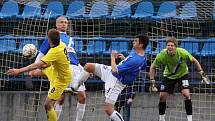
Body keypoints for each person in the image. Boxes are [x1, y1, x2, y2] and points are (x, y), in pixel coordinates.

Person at [71, 34, 149, 121]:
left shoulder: (135, 60)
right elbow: (141, 67)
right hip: (110, 72)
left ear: (141, 45)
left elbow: (115, 71)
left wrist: (112, 57)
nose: (133, 42)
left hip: (116, 81)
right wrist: (125, 60)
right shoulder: (142, 57)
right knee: (88, 66)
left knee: (109, 109)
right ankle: (75, 87)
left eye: (135, 41)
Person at [7, 29, 71, 121]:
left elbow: (37, 64)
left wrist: (18, 71)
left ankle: (64, 89)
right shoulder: (61, 43)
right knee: (34, 72)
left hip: (61, 80)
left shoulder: (55, 51)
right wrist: (43, 64)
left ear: (49, 40)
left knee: (48, 105)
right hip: (54, 70)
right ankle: (64, 90)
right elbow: (49, 62)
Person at [31, 16, 86, 121]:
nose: (64, 24)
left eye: (66, 22)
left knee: (82, 97)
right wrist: (34, 67)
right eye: (61, 22)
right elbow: (41, 54)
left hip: (75, 68)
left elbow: (73, 56)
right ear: (56, 24)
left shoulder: (70, 39)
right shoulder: (52, 37)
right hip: (60, 68)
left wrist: (82, 68)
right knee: (60, 98)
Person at [149, 37, 209, 121]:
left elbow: (194, 61)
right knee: (162, 97)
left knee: (186, 95)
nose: (170, 47)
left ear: (176, 47)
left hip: (182, 74)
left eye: (172, 45)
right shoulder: (162, 54)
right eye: (168, 45)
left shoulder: (182, 52)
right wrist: (152, 81)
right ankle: (161, 119)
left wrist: (202, 74)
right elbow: (152, 66)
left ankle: (190, 119)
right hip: (168, 75)